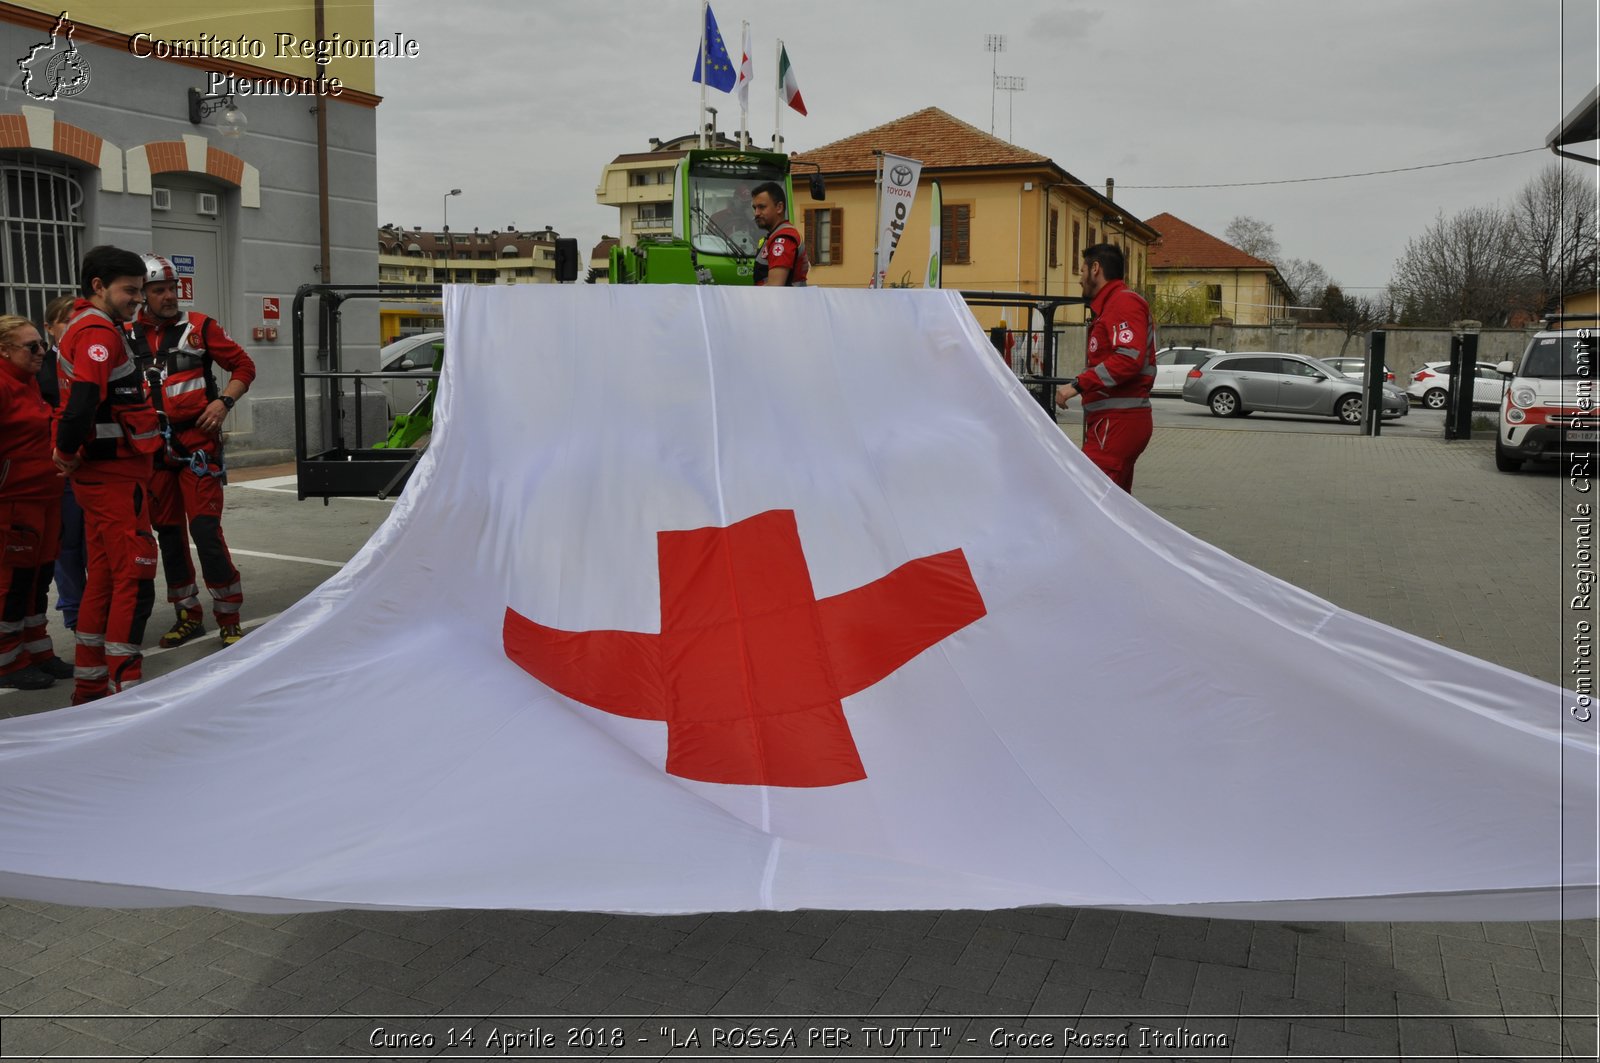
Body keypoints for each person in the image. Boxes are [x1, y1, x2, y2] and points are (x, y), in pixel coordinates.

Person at [53, 245, 163, 704]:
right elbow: (81, 404)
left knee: (101, 576)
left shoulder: (86, 326)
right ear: (98, 286)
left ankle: (93, 684)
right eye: (130, 291)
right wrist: (64, 451)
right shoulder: (98, 332)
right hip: (114, 476)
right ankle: (125, 686)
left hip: (104, 475)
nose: (137, 300)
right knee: (131, 574)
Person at [129, 254, 255, 647]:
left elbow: (244, 367)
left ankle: (228, 613)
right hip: (153, 451)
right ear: (143, 295)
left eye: (172, 288)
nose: (169, 296)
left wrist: (224, 403)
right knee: (168, 535)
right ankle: (188, 613)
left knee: (205, 531)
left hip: (197, 449)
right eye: (159, 290)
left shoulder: (200, 327)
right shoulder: (125, 334)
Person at [0, 315, 74, 689]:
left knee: (38, 579)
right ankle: (8, 661)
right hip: (14, 502)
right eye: (32, 346)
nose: (42, 351)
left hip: (44, 498)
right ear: (4, 350)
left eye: (41, 344)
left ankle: (38, 650)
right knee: (11, 585)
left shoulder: (27, 383)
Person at [1054, 243, 1156, 492]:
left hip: (1118, 423)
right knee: (1113, 509)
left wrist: (1077, 385)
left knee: (1090, 500)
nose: (1079, 280)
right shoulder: (1112, 306)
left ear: (1095, 269)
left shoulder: (1123, 303)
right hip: (1112, 423)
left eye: (1081, 271)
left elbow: (1128, 358)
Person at [38, 294, 85, 633]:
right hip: (58, 468)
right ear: (49, 328)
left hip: (92, 466)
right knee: (66, 544)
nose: (72, 329)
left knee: (93, 543)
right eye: (65, 322)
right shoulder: (39, 367)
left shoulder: (91, 358)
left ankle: (99, 607)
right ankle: (74, 611)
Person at [750, 181, 809, 287]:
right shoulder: (774, 236)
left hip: (784, 302)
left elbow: (775, 287)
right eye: (755, 208)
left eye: (761, 207)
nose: (756, 213)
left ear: (779, 207)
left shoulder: (782, 240)